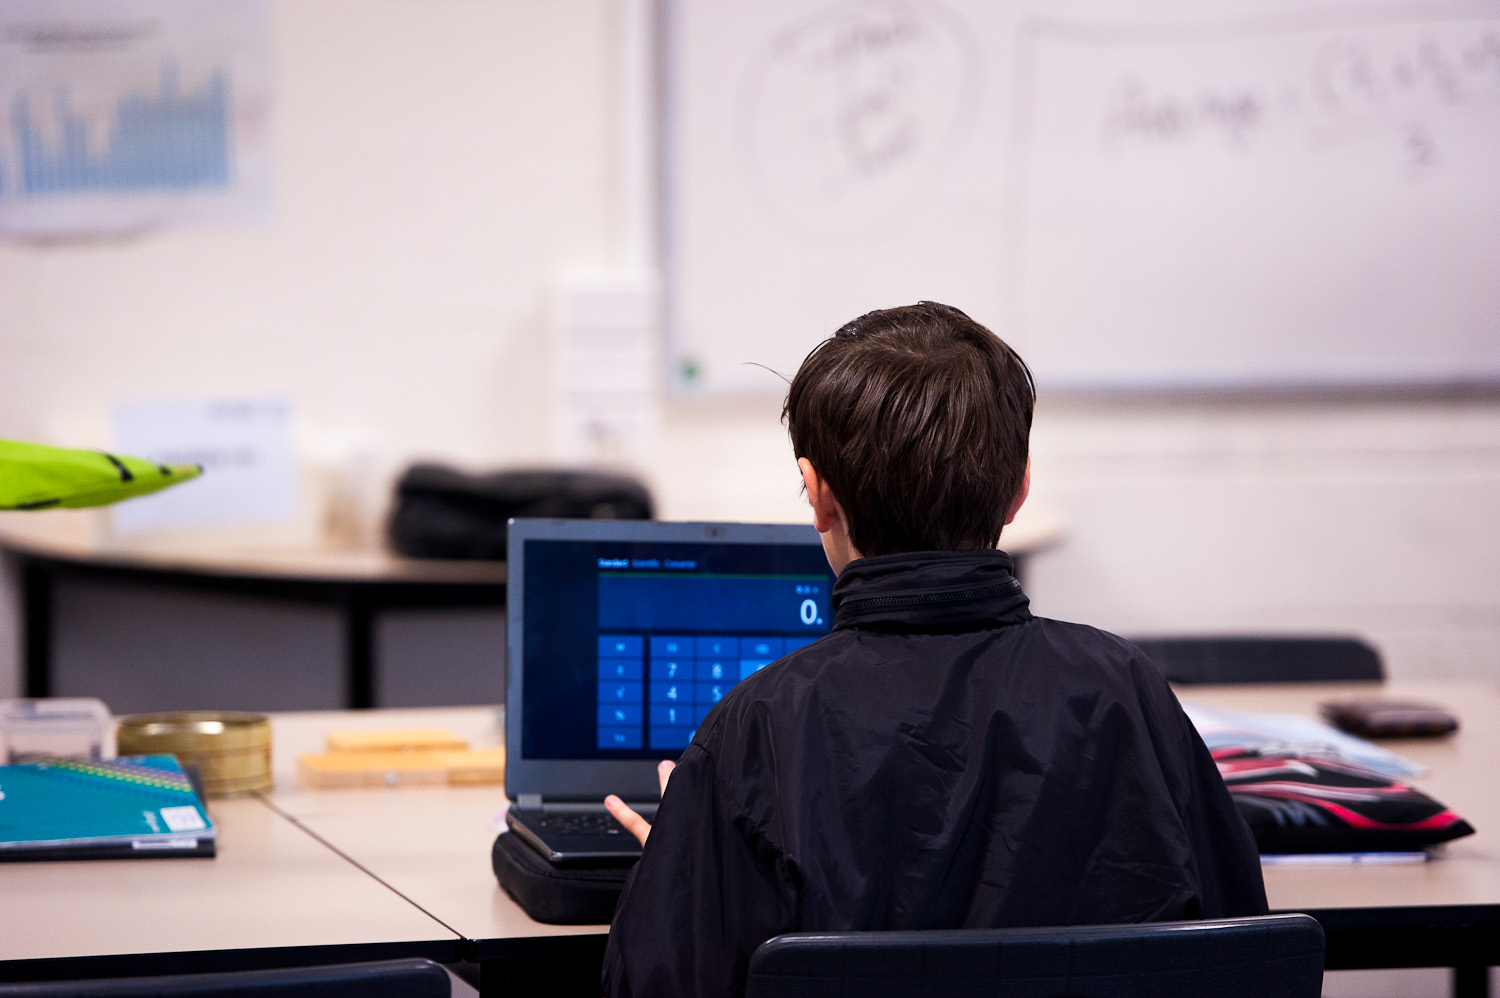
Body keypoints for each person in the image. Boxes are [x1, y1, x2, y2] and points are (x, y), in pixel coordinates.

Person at [601, 302, 1267, 998]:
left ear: (819, 494)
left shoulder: (754, 730)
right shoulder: (1127, 691)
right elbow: (1244, 952)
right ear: (1019, 488)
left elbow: (655, 988)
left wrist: (686, 878)